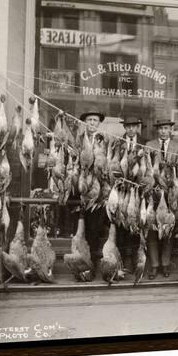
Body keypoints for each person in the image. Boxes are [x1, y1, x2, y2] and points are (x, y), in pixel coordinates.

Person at [145, 118, 178, 279]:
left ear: (170, 130)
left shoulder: (177, 147)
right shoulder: (149, 145)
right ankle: (154, 265)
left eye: (166, 128)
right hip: (153, 194)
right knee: (153, 229)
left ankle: (166, 263)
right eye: (160, 128)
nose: (163, 131)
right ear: (157, 130)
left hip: (171, 194)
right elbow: (146, 168)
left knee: (168, 228)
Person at [78, 106, 107, 269]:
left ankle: (94, 262)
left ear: (99, 123)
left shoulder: (105, 140)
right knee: (83, 227)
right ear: (84, 122)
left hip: (99, 192)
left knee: (96, 227)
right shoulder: (79, 138)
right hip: (83, 190)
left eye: (95, 120)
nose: (92, 123)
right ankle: (83, 259)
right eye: (89, 119)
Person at [117, 115, 147, 272]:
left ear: (137, 128)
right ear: (125, 128)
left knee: (135, 223)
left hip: (138, 189)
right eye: (128, 126)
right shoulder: (118, 142)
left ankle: (136, 257)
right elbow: (114, 164)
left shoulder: (145, 143)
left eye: (134, 126)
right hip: (122, 190)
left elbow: (147, 168)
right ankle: (125, 258)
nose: (130, 129)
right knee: (122, 223)